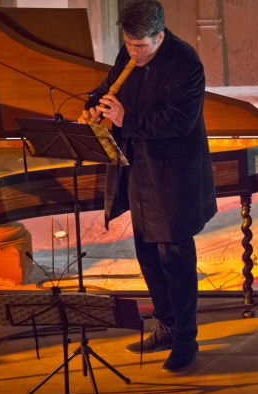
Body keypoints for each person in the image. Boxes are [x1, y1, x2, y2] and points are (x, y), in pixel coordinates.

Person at [78, 0, 217, 372]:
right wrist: (94, 103)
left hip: (174, 177)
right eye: (128, 44)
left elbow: (179, 122)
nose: (133, 53)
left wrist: (127, 119)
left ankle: (186, 340)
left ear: (160, 36)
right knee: (147, 255)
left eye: (140, 46)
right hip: (139, 171)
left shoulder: (186, 63)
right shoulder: (130, 54)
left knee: (176, 261)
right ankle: (166, 327)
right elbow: (108, 86)